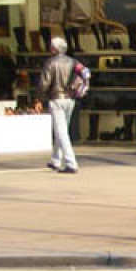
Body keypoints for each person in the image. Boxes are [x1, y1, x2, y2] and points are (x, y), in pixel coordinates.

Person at [40, 36, 81, 174]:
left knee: (61, 131)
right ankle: (56, 159)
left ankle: (71, 162)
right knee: (62, 129)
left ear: (54, 48)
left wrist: (39, 97)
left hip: (56, 98)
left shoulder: (50, 63)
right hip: (70, 98)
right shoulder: (73, 62)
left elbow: (44, 83)